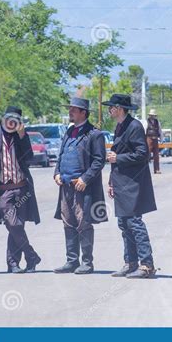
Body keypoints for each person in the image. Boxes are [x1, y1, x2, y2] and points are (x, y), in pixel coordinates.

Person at [102, 94, 157, 279]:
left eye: (112, 107)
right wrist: (111, 181)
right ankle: (130, 262)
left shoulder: (134, 126)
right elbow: (116, 155)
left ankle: (147, 265)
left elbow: (143, 154)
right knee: (124, 223)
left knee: (134, 222)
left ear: (119, 108)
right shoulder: (119, 126)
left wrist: (119, 158)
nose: (109, 110)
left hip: (133, 182)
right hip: (121, 181)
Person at [0, 106, 41, 274]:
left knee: (17, 226)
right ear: (3, 118)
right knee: (13, 224)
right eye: (9, 118)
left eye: (15, 119)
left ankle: (13, 263)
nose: (11, 122)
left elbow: (29, 159)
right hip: (3, 190)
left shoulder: (21, 136)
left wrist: (22, 137)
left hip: (21, 188)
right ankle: (31, 255)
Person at [53, 97, 107, 274]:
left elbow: (99, 161)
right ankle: (71, 261)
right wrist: (57, 173)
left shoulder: (94, 134)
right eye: (70, 109)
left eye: (74, 109)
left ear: (84, 113)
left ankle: (87, 262)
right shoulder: (69, 132)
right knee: (68, 222)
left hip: (82, 186)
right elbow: (60, 157)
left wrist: (85, 178)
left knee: (83, 223)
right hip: (66, 186)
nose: (70, 112)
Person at [146, 109, 163, 174]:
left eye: (153, 115)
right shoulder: (146, 121)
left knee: (156, 155)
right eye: (151, 115)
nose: (152, 116)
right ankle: (145, 170)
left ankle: (157, 169)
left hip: (155, 139)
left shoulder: (157, 122)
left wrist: (161, 139)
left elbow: (160, 131)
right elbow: (144, 131)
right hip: (148, 138)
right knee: (147, 154)